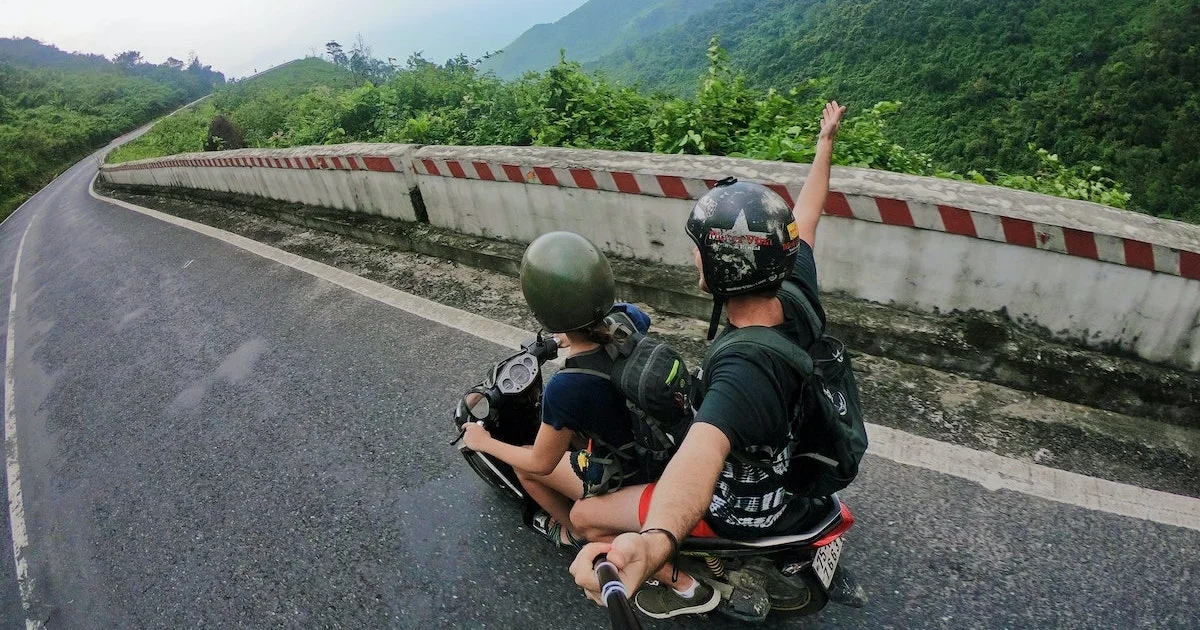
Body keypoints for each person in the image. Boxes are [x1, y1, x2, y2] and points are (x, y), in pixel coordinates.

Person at [568, 101, 848, 618]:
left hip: (744, 506)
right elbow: (806, 213)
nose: (694, 256)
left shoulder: (745, 371)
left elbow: (699, 457)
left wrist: (653, 544)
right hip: (785, 459)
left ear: (726, 265)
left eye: (700, 249)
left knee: (585, 515)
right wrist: (825, 143)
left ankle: (681, 583)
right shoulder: (794, 285)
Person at [462, 231, 654, 548]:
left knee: (523, 465)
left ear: (544, 312)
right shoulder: (629, 319)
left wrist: (483, 441)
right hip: (649, 441)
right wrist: (570, 336)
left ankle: (574, 532)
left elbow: (541, 462)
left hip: (628, 474)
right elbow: (623, 317)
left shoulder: (567, 387)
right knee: (573, 434)